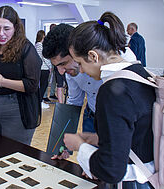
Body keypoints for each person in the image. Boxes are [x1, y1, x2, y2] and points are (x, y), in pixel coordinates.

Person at [64, 12, 155, 189]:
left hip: (132, 182)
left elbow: (112, 169)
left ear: (93, 56)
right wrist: (98, 138)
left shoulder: (112, 91)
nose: (81, 71)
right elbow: (136, 134)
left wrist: (80, 146)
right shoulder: (139, 73)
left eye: (80, 63)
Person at [43, 23, 136, 134]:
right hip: (92, 115)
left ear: (75, 51)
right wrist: (61, 142)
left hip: (119, 120)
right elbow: (74, 101)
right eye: (56, 66)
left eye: (64, 63)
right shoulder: (70, 70)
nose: (61, 71)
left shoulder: (122, 62)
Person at [0, 6, 42, 145]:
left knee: (14, 155)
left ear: (16, 28)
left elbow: (32, 85)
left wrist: (2, 82)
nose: (1, 33)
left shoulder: (26, 49)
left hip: (16, 110)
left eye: (6, 28)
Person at [35, 30, 51, 109]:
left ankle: (39, 101)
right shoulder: (40, 45)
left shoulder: (36, 45)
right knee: (44, 85)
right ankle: (40, 101)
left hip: (40, 69)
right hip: (44, 68)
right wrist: (50, 66)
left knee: (42, 85)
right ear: (42, 36)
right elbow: (44, 57)